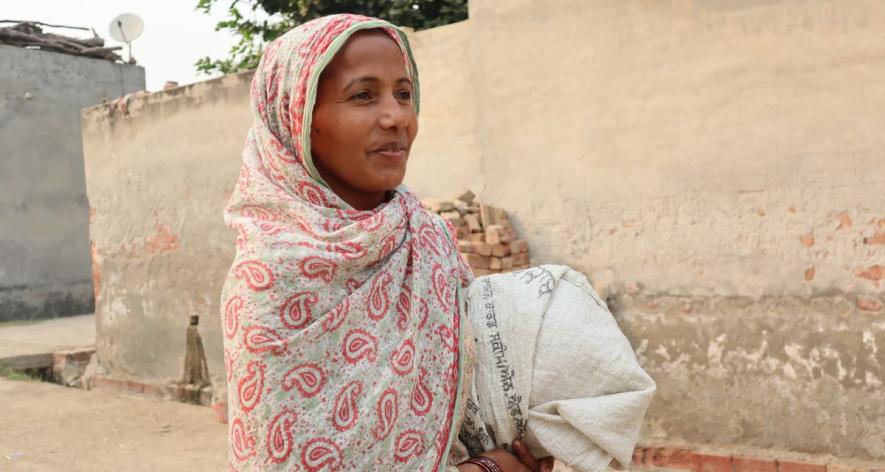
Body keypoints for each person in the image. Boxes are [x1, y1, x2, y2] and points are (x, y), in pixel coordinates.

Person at [220, 13, 553, 472]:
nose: (397, 117)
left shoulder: (425, 236)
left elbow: (471, 399)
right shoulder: (272, 277)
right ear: (298, 119)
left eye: (404, 93)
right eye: (363, 95)